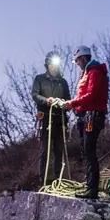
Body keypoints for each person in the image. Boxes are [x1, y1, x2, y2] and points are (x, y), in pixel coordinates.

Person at [61, 46, 109, 199]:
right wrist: (74, 106)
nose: (77, 64)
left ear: (83, 58)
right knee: (86, 151)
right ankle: (90, 186)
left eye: (77, 61)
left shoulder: (94, 72)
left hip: (92, 117)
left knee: (89, 151)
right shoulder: (87, 73)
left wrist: (72, 103)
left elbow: (92, 94)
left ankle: (92, 189)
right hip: (85, 116)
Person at [32, 52, 71, 186]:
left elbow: (68, 98)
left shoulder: (63, 82)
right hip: (45, 118)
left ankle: (58, 180)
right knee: (45, 150)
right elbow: (35, 95)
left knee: (59, 150)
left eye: (56, 65)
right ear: (47, 66)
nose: (54, 68)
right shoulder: (40, 79)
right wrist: (46, 100)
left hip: (60, 119)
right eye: (52, 65)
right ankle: (43, 179)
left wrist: (66, 105)